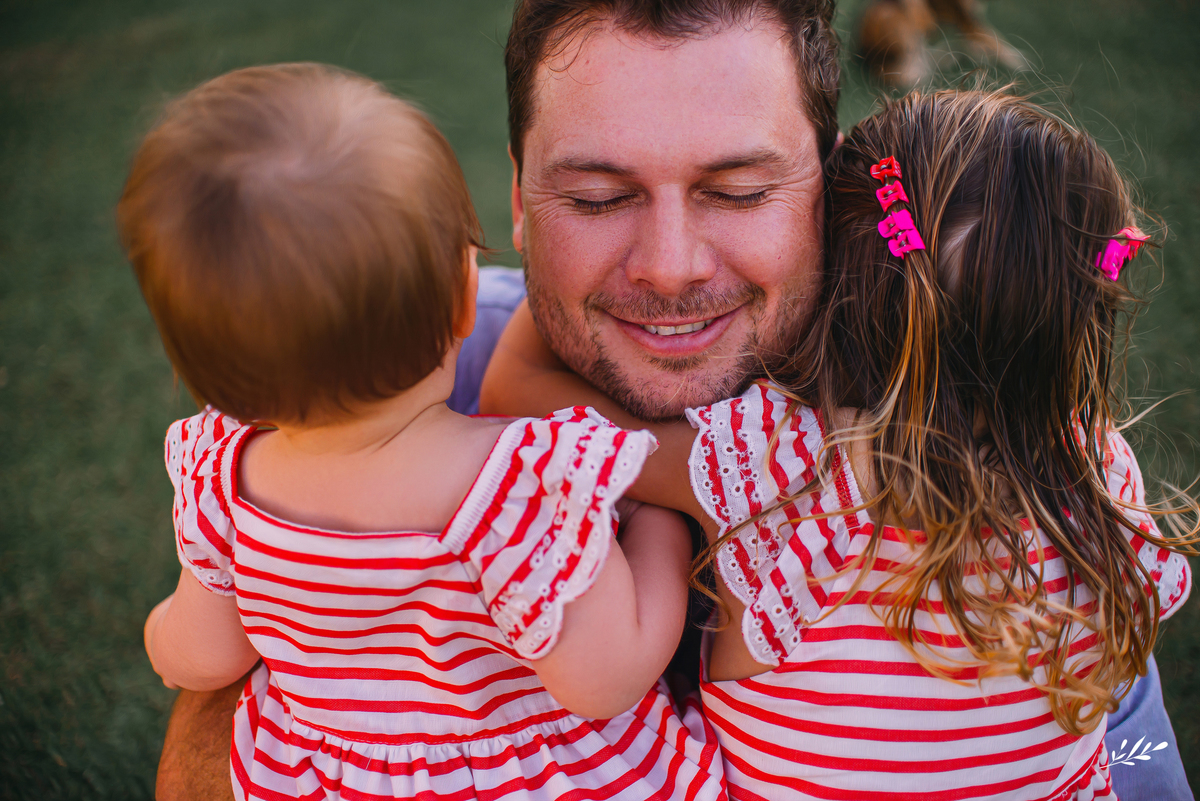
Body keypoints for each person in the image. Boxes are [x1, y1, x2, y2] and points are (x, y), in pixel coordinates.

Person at [154, 2, 1195, 798]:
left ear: (832, 187)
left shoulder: (1002, 447)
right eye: (597, 198)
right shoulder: (358, 358)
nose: (668, 267)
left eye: (738, 190)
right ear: (514, 199)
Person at [485, 87, 1198, 798]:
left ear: (836, 282)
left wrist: (571, 278)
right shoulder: (1102, 477)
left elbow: (514, 389)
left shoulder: (784, 469)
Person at [121, 63, 726, 801]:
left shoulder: (226, 480)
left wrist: (159, 633)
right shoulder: (519, 483)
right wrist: (660, 524)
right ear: (459, 307)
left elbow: (201, 652)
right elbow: (605, 676)